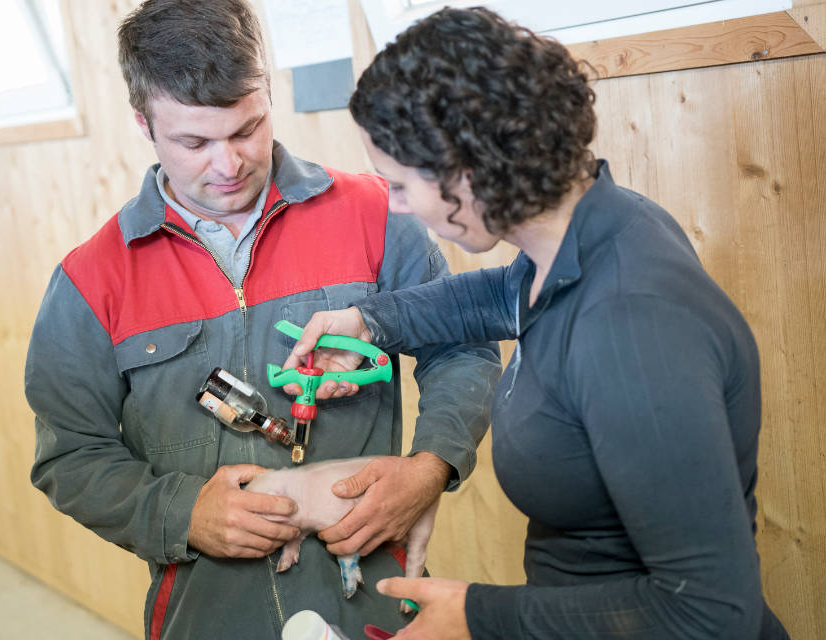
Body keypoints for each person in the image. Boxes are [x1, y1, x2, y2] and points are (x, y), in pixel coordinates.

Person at [284, 7, 791, 639]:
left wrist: (476, 617)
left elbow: (713, 614)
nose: (397, 206)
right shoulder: (595, 228)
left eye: (400, 185)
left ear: (466, 173)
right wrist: (370, 318)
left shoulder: (632, 332)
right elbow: (500, 295)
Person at [23, 1, 501, 638]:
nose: (229, 164)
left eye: (247, 129)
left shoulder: (375, 214)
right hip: (208, 612)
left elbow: (461, 349)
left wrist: (431, 465)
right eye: (194, 142)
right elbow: (72, 455)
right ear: (144, 123)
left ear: (268, 93)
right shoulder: (92, 280)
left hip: (369, 596)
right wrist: (183, 513)